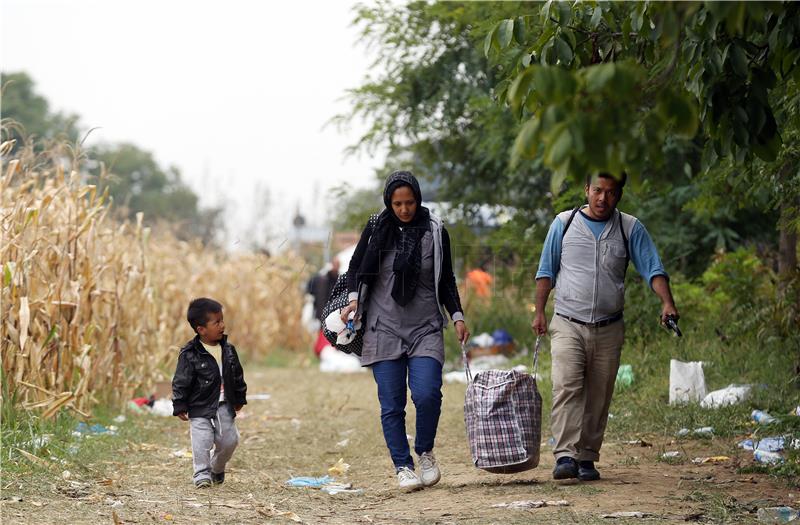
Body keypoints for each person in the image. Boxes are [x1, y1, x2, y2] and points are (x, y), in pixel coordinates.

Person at [532, 172, 679, 482]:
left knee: (599, 393)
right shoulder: (564, 223)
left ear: (619, 195)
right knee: (567, 385)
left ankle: (586, 456)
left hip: (609, 326)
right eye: (597, 190)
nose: (602, 198)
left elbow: (652, 267)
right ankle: (565, 456)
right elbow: (546, 270)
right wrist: (539, 312)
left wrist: (667, 302)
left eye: (611, 193)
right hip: (568, 321)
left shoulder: (629, 228)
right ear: (586, 189)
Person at [340, 171, 470, 491]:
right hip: (382, 326)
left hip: (425, 326)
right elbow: (357, 267)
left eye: (409, 202)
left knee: (427, 394)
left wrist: (457, 316)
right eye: (397, 203)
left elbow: (447, 278)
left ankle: (425, 451)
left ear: (418, 199)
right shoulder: (376, 227)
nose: (404, 209)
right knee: (392, 403)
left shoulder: (436, 230)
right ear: (389, 202)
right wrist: (354, 299)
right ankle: (403, 465)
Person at [172, 297, 247, 488]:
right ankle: (201, 474)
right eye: (217, 322)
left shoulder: (229, 350)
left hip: (224, 403)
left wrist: (239, 397)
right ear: (201, 329)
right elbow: (181, 381)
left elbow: (237, 375)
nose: (222, 325)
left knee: (229, 440)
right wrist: (180, 403)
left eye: (222, 320)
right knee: (202, 441)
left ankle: (217, 467)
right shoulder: (189, 353)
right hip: (199, 405)